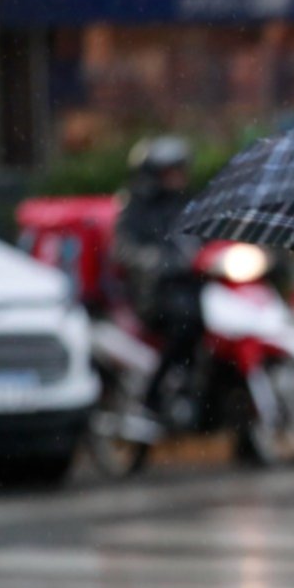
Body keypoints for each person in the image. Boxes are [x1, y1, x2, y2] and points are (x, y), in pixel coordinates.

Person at [112, 135, 204, 419]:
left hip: (194, 288)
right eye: (170, 171)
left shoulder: (190, 204)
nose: (177, 177)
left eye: (180, 170)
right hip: (154, 295)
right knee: (186, 322)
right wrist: (157, 261)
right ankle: (156, 393)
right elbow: (123, 250)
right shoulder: (136, 208)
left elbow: (209, 238)